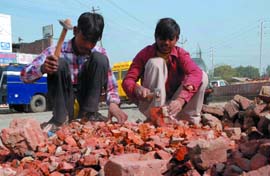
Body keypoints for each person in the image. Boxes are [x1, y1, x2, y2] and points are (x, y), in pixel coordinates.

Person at [21, 12, 128, 130]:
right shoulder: (55, 50)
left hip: (86, 101)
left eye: (93, 42)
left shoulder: (100, 52)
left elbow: (111, 86)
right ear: (75, 31)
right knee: (58, 63)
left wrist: (113, 103)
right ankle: (60, 120)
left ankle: (90, 115)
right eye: (85, 40)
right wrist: (42, 68)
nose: (88, 45)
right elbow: (24, 76)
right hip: (64, 102)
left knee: (100, 59)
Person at [122, 18, 208, 125]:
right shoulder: (145, 54)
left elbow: (195, 73)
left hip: (174, 106)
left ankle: (188, 120)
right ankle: (156, 116)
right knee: (156, 63)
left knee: (202, 77)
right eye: (162, 39)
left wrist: (181, 100)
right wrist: (136, 88)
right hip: (153, 103)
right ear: (156, 37)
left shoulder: (181, 54)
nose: (166, 43)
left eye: (170, 39)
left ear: (177, 39)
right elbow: (127, 81)